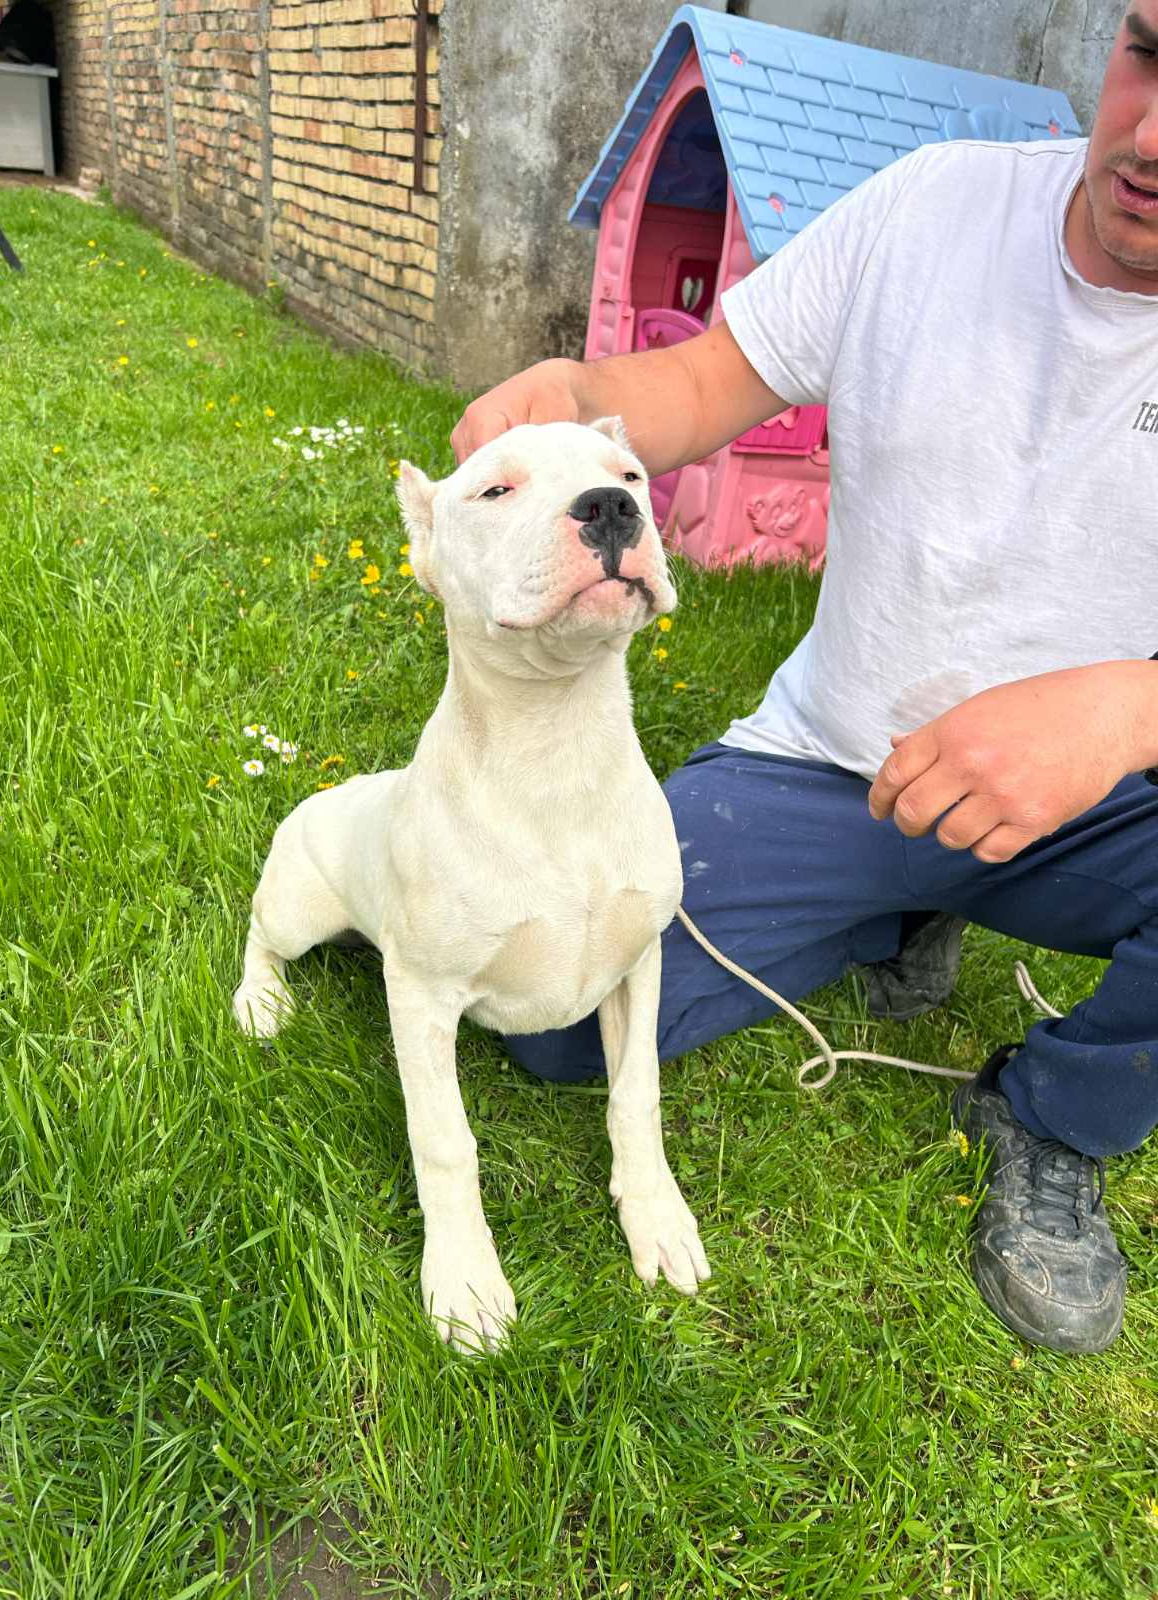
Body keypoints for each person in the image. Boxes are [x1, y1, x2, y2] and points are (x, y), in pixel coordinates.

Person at [449, 2, 1158, 1354]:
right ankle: (895, 912)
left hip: (1109, 799)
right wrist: (581, 400)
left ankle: (1055, 1112)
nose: (1152, 135)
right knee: (549, 1022)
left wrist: (1129, 707)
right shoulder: (937, 209)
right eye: (1149, 52)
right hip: (840, 763)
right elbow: (711, 378)